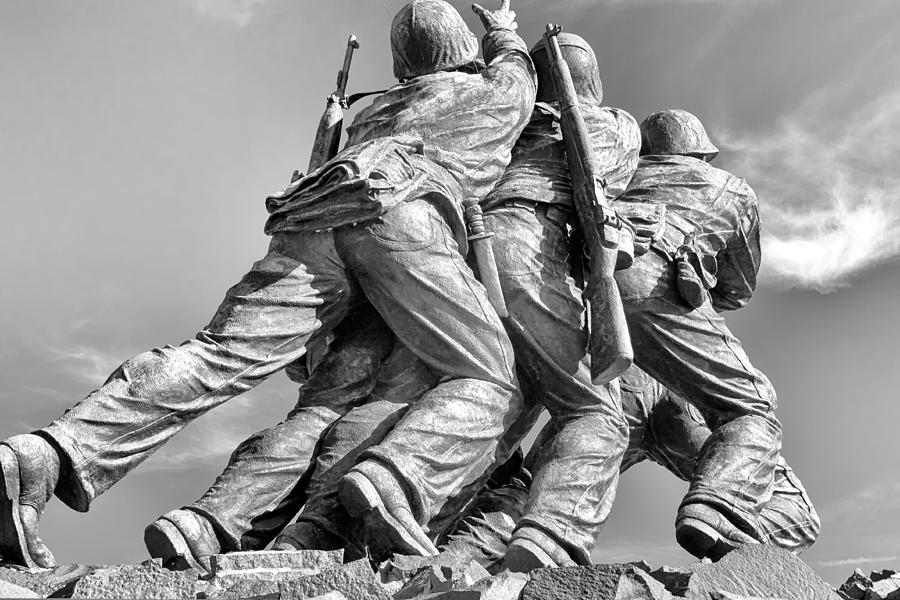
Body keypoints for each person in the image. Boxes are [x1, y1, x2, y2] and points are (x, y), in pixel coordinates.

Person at [0, 0, 536, 569]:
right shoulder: (486, 94)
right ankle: (397, 481)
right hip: (402, 215)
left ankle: (47, 454)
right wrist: (503, 31)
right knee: (493, 378)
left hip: (314, 214)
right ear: (462, 53)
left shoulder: (370, 114)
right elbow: (520, 77)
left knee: (217, 354)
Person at [143, 31, 643, 571]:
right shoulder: (602, 124)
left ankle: (258, 527)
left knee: (349, 408)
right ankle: (525, 534)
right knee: (588, 411)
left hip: (449, 255)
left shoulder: (464, 117)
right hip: (491, 255)